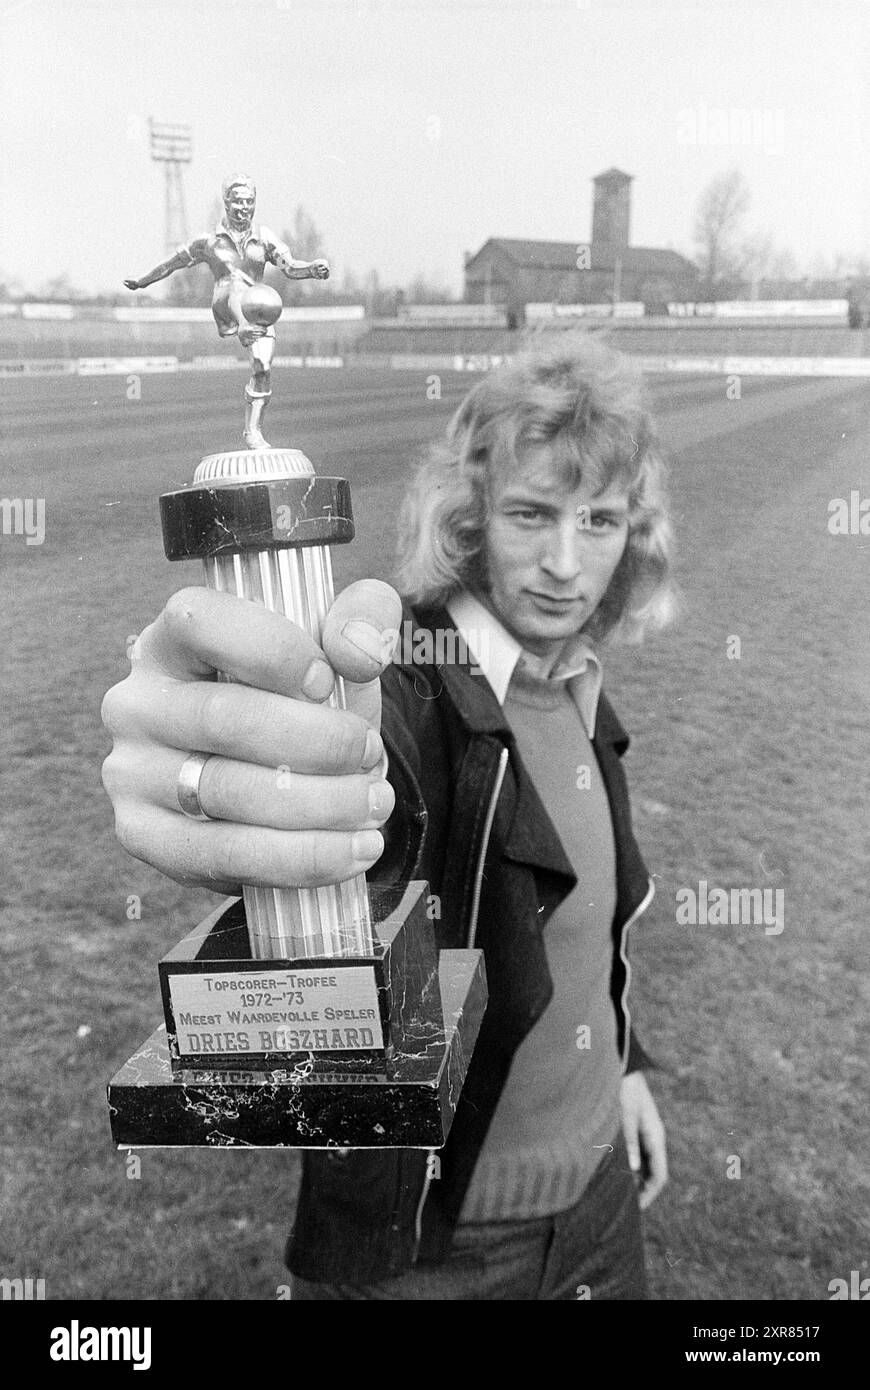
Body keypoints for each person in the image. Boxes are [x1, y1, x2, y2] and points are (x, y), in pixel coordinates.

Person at [101, 333, 676, 1300]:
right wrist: (236, 751)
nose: (567, 564)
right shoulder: (411, 673)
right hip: (439, 1252)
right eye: (531, 514)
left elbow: (586, 935)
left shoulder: (572, 675)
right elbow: (380, 762)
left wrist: (623, 1070)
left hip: (600, 1208)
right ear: (470, 517)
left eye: (602, 520)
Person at [123, 174, 330, 448]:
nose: (244, 207)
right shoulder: (208, 243)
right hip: (226, 303)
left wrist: (311, 269)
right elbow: (170, 265)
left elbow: (289, 266)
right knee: (234, 282)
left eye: (249, 202)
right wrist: (142, 282)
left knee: (262, 367)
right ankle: (244, 326)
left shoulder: (264, 237)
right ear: (227, 203)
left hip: (258, 308)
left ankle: (252, 431)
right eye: (238, 202)